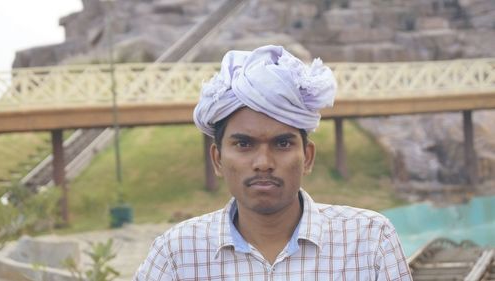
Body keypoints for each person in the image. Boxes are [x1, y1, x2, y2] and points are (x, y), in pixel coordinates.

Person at [133, 45, 412, 280]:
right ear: (217, 160)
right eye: (244, 144)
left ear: (308, 157)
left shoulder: (369, 239)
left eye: (282, 144)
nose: (263, 163)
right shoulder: (178, 253)